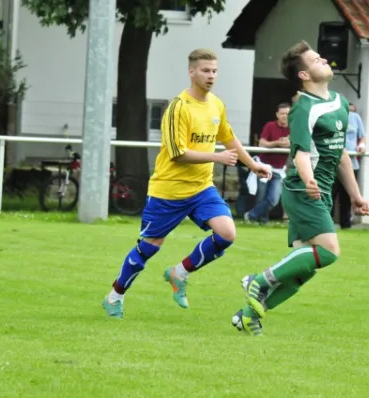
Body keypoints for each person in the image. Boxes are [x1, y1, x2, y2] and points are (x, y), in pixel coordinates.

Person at [102, 48, 271, 319]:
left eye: (214, 70)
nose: (211, 76)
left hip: (201, 189)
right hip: (169, 190)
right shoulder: (178, 107)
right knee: (148, 248)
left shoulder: (216, 104)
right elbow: (178, 154)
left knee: (227, 233)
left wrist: (252, 164)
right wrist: (216, 157)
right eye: (205, 70)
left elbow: (229, 139)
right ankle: (115, 296)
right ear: (192, 72)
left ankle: (179, 273)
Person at [230, 41, 369, 336]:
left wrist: (356, 195)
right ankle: (259, 279)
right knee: (329, 252)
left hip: (321, 190)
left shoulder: (341, 103)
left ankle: (248, 316)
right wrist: (308, 179)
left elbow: (342, 154)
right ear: (304, 75)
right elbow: (300, 154)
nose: (323, 60)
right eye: (315, 59)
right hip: (301, 189)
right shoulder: (302, 109)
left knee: (303, 269)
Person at [245, 103, 290, 223]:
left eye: (287, 113)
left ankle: (250, 216)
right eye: (282, 113)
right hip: (264, 167)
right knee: (260, 196)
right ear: (277, 115)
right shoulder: (270, 126)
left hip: (279, 170)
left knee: (273, 199)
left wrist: (289, 143)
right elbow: (262, 143)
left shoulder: (294, 127)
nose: (285, 116)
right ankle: (262, 220)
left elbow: (295, 143)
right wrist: (277, 143)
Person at [331, 102, 366, 229]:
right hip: (332, 162)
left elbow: (362, 136)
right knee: (330, 195)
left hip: (351, 162)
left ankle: (345, 224)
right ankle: (326, 225)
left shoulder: (355, 118)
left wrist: (362, 145)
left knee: (347, 195)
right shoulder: (330, 117)